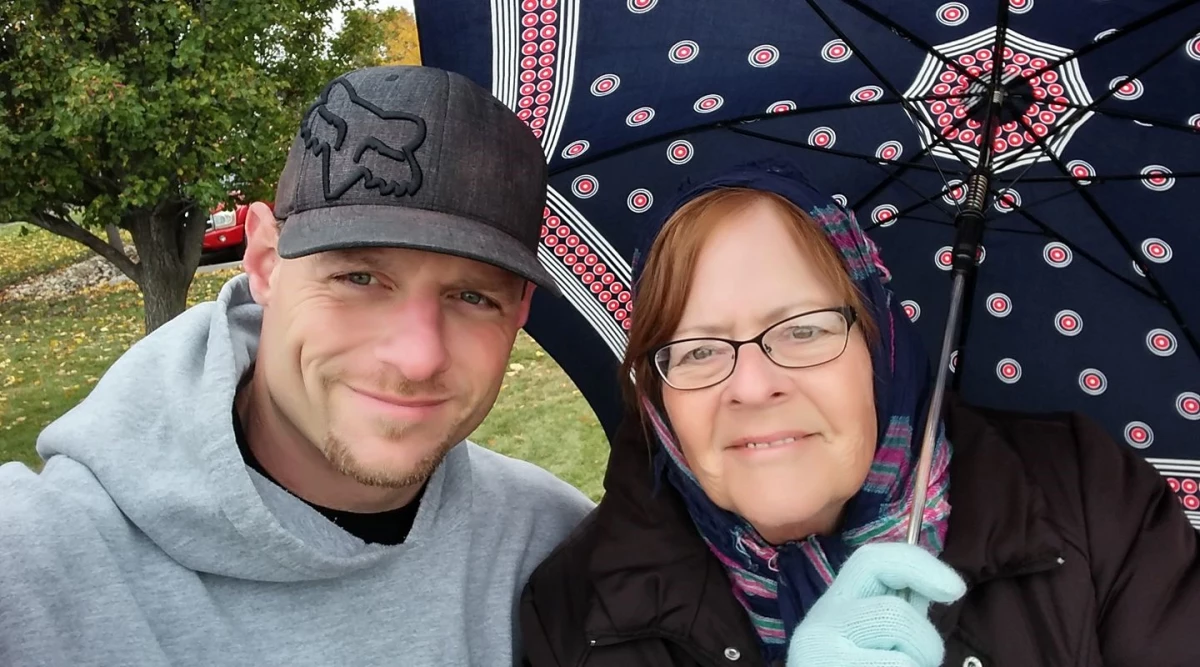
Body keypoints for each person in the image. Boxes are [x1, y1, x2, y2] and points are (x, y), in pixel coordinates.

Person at [0, 65, 594, 666]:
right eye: (359, 278)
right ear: (264, 261)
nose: (418, 360)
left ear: (520, 309)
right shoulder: (34, 565)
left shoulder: (560, 551)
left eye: (472, 297)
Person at [518, 159, 1200, 666]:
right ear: (656, 393)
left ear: (880, 345)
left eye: (803, 330)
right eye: (697, 350)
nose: (752, 387)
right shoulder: (576, 609)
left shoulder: (1087, 496)